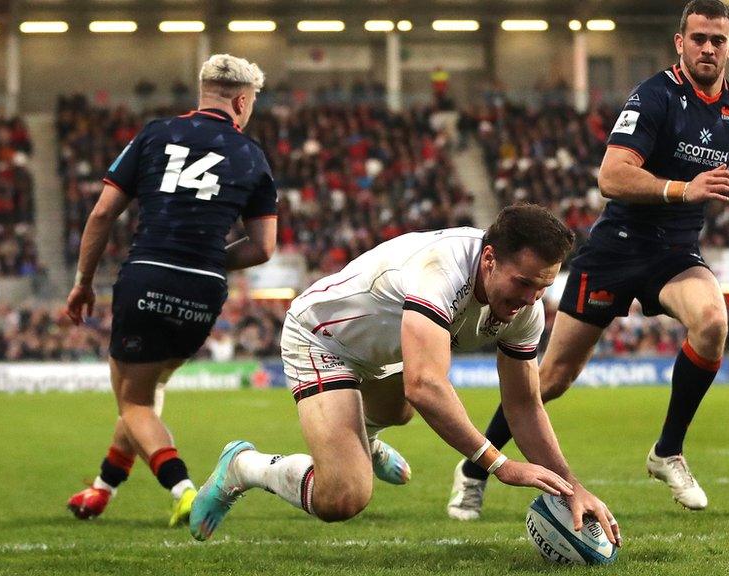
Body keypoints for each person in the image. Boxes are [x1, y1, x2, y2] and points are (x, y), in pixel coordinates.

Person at [448, 0, 729, 519]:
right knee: (552, 378)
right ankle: (475, 468)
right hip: (615, 249)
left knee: (713, 321)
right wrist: (684, 188)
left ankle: (667, 451)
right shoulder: (654, 97)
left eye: (717, 40)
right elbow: (610, 176)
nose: (707, 48)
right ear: (680, 42)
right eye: (697, 38)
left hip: (674, 255)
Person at [189, 205, 622, 549]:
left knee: (402, 409)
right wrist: (499, 464)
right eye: (523, 283)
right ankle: (243, 466)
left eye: (542, 288)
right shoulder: (441, 270)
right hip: (323, 339)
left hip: (386, 349)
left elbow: (524, 403)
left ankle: (367, 438)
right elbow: (425, 384)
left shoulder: (524, 309)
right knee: (344, 496)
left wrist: (572, 486)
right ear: (489, 259)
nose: (529, 300)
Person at [65, 54, 279, 527]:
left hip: (149, 274)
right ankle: (102, 489)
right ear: (242, 101)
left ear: (204, 91)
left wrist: (83, 282)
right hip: (204, 289)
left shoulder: (156, 133)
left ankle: (185, 490)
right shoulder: (252, 155)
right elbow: (263, 248)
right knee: (148, 389)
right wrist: (203, 261)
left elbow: (102, 214)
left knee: (135, 400)